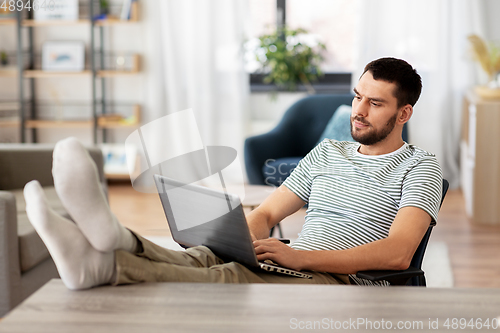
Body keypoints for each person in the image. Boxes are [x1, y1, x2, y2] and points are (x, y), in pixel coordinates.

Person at [24, 57, 442, 289]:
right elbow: (267, 215)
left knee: (226, 278)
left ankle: (108, 263)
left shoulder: (419, 166)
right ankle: (114, 243)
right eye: (357, 97)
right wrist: (240, 237)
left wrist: (300, 257)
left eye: (376, 103)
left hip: (343, 282)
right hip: (296, 262)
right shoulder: (329, 151)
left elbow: (398, 252)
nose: (359, 110)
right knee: (206, 257)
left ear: (404, 113)